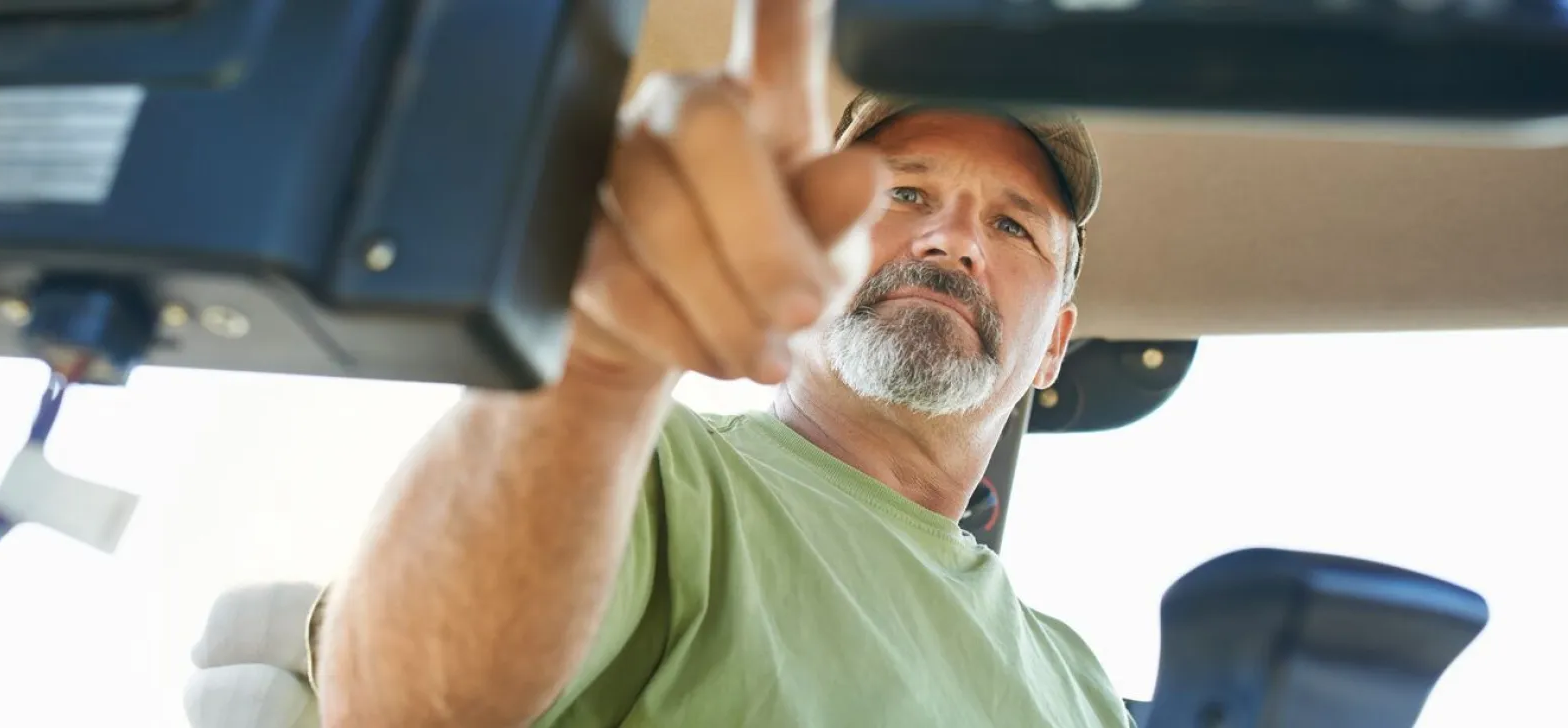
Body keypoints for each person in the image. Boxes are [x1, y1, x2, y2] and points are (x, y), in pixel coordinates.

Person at [309, 1, 1131, 725]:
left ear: (1055, 345)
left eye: (1013, 227)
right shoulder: (642, 467)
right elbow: (399, 707)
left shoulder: (1081, 686)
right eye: (904, 194)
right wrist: (601, 356)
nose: (952, 240)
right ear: (810, 239)